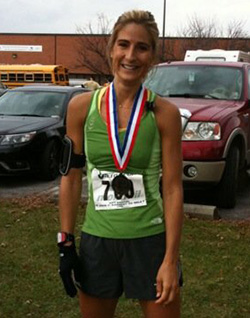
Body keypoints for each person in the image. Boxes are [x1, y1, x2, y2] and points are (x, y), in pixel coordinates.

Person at [58, 9, 183, 318]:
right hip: (98, 242)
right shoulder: (80, 108)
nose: (131, 55)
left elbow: (173, 188)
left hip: (150, 242)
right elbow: (71, 178)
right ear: (111, 48)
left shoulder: (164, 113)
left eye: (142, 47)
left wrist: (170, 258)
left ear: (152, 55)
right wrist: (66, 242)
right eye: (123, 44)